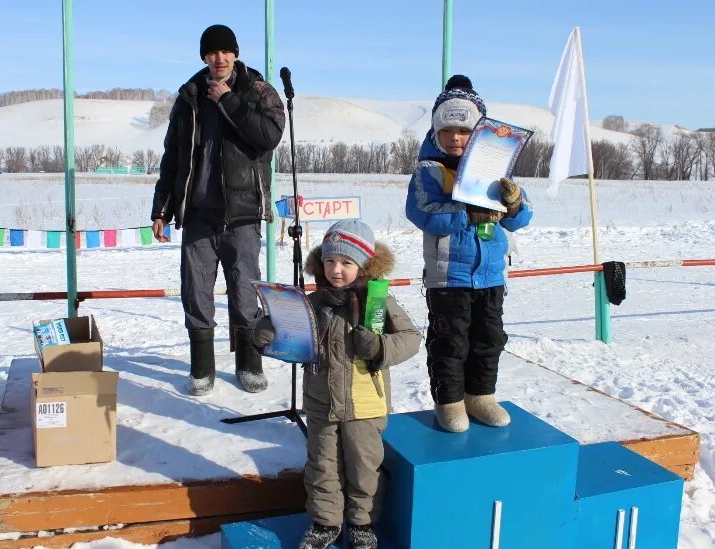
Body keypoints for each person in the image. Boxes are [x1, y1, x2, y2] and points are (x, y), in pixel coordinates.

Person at [253, 219, 421, 549]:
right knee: (322, 465)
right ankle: (326, 522)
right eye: (330, 261)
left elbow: (412, 339)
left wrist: (380, 348)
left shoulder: (379, 302)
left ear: (364, 263)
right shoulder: (314, 304)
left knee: (364, 464)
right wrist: (266, 333)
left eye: (346, 262)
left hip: (364, 403)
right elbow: (286, 332)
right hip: (321, 401)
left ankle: (362, 522)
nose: (337, 270)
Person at [150, 24, 285, 396]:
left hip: (242, 213)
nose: (219, 58)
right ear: (204, 57)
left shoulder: (257, 91)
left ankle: (249, 363)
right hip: (197, 214)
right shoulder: (189, 96)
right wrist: (161, 208)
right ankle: (202, 368)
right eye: (212, 53)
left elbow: (268, 137)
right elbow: (173, 157)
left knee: (244, 291)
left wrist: (228, 101)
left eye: (226, 52)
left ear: (236, 54)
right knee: (196, 292)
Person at [405, 75, 533, 433]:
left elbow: (521, 220)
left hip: (491, 274)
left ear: (479, 131)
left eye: (464, 130)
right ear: (436, 133)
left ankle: (481, 395)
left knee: (488, 339)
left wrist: (513, 203)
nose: (456, 138)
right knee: (451, 341)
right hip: (450, 276)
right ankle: (450, 400)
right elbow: (423, 213)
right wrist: (466, 212)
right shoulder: (430, 171)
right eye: (448, 131)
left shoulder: (497, 171)